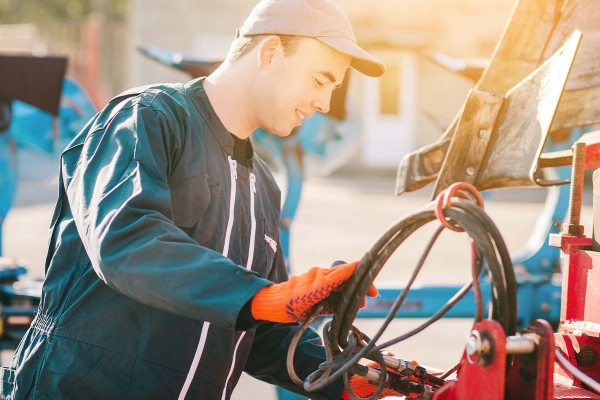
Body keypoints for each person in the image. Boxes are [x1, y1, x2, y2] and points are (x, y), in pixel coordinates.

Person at [1, 0, 386, 398]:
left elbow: (259, 334)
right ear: (269, 53)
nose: (324, 104)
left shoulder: (263, 187)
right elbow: (124, 241)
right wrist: (259, 296)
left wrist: (352, 377)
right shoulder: (146, 118)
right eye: (320, 80)